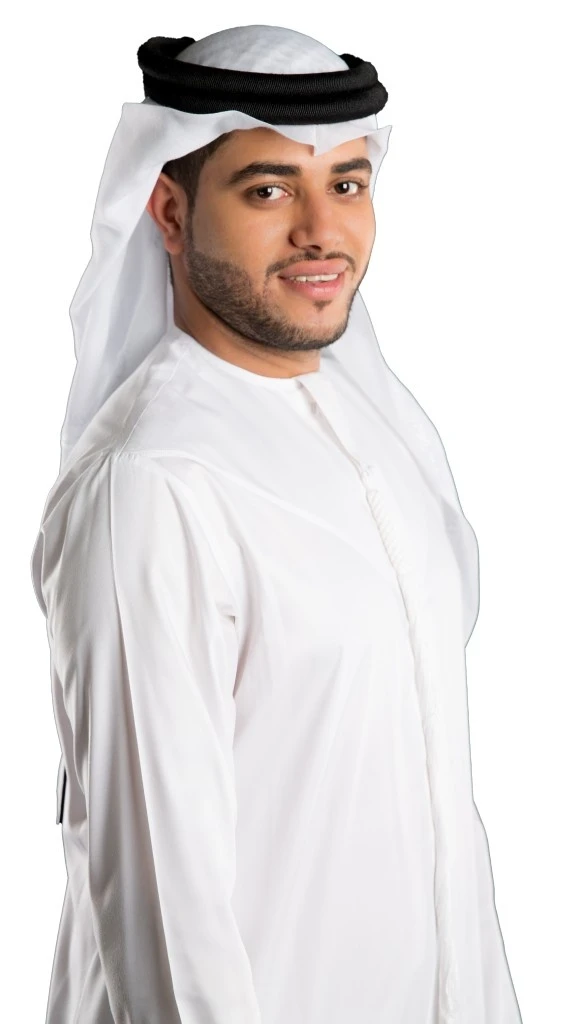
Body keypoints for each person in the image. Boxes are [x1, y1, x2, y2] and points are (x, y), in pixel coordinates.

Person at [30, 24, 523, 1024]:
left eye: (345, 183)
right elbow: (164, 921)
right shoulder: (152, 484)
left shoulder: (378, 433)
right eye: (267, 190)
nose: (320, 231)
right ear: (169, 212)